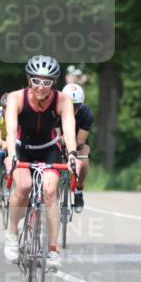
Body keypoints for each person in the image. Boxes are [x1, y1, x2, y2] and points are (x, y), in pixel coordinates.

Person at [3, 55, 79, 269]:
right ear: (29, 80)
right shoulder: (16, 98)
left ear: (54, 83)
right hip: (21, 148)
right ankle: (11, 233)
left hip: (49, 149)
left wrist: (72, 154)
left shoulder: (63, 100)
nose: (41, 87)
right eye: (36, 81)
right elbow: (10, 130)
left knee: (50, 191)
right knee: (24, 185)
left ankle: (53, 250)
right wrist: (11, 155)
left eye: (46, 82)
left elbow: (69, 130)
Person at [61, 83, 93, 212]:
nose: (73, 109)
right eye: (70, 105)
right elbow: (57, 135)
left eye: (77, 105)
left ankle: (79, 190)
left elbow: (80, 140)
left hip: (77, 141)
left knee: (84, 161)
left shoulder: (86, 113)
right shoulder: (57, 109)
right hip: (60, 139)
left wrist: (71, 148)